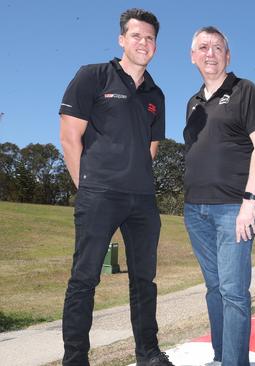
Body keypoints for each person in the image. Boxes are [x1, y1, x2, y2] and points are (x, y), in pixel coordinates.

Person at [59, 8, 173, 366]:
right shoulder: (93, 76)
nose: (143, 43)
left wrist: (132, 176)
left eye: (150, 38)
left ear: (156, 45)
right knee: (84, 279)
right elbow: (69, 136)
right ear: (122, 39)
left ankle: (149, 355)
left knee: (144, 281)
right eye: (136, 36)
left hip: (142, 200)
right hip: (99, 195)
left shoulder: (157, 94)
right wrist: (87, 188)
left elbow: (151, 148)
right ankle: (75, 359)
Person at [183, 26, 255, 366]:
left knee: (234, 293)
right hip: (195, 210)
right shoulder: (192, 103)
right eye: (203, 47)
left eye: (218, 47)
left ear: (228, 56)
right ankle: (222, 358)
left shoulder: (244, 90)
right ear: (193, 56)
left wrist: (249, 202)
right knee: (214, 290)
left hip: (234, 209)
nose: (210, 53)